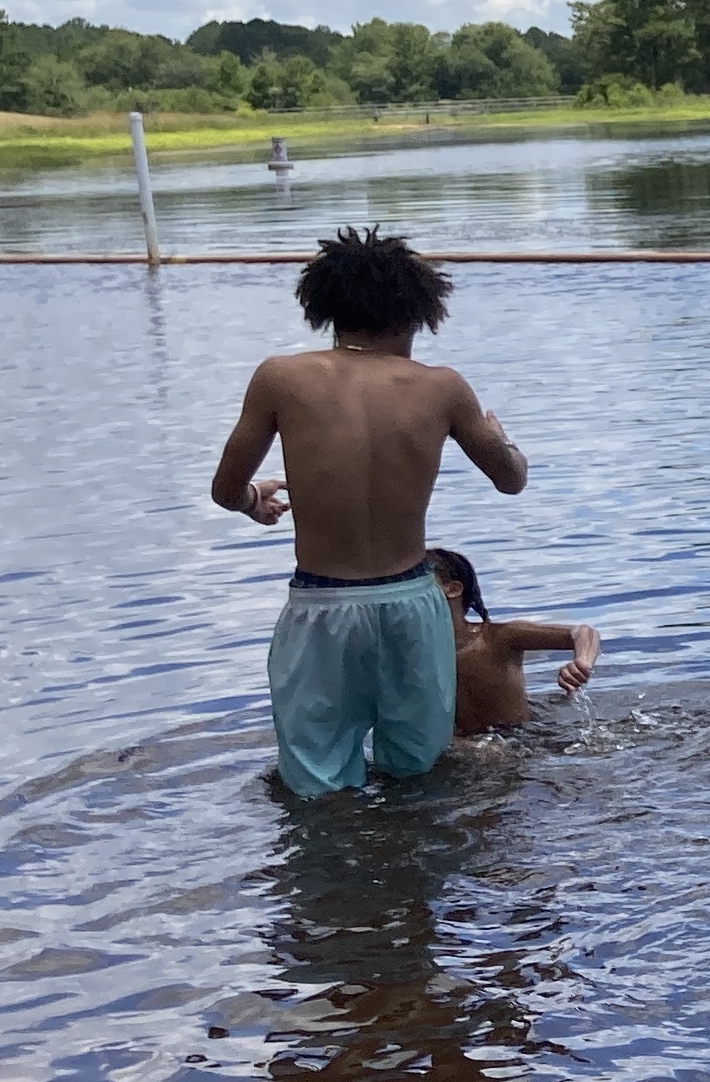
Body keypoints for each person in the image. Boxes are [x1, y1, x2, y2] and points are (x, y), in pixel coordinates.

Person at [210, 228, 532, 797]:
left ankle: (335, 875)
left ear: (325, 308)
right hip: (411, 602)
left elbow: (225, 489)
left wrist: (254, 502)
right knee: (418, 770)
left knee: (315, 776)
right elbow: (510, 481)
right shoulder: (443, 387)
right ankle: (410, 873)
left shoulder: (280, 377)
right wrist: (506, 444)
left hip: (321, 605)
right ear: (419, 311)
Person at [424, 547, 598, 735]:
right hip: (476, 749)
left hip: (526, 740)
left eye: (418, 585)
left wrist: (583, 662)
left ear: (453, 589)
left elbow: (583, 632)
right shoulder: (414, 653)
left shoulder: (498, 637)